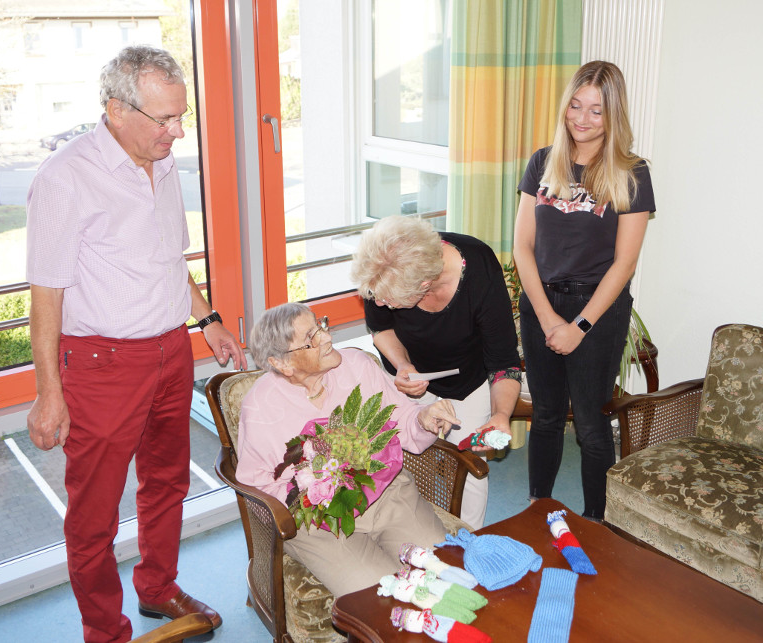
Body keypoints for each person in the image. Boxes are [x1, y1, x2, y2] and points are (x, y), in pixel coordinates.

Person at [25, 46, 247, 643]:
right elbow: (45, 295)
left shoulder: (164, 161)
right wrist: (49, 393)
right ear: (116, 109)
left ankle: (157, 588)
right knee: (94, 513)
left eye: (181, 117)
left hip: (170, 350)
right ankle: (105, 629)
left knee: (168, 480)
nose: (177, 132)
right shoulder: (64, 177)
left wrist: (209, 320)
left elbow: (168, 260)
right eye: (164, 119)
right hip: (101, 363)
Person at [236, 303, 461, 596]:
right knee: (377, 595)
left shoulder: (356, 365)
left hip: (386, 494)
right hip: (319, 521)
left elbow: (402, 418)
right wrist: (313, 494)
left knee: (439, 567)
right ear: (282, 364)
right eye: (311, 338)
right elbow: (256, 486)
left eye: (320, 325)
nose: (327, 337)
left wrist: (423, 419)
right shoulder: (260, 407)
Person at [512, 60, 656, 521]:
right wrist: (548, 317)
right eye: (576, 105)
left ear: (613, 115)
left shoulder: (632, 172)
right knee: (547, 415)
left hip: (598, 308)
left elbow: (625, 263)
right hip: (541, 301)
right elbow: (521, 246)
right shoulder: (542, 162)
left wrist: (580, 325)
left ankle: (597, 521)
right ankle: (539, 508)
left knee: (592, 426)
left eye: (596, 110)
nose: (582, 118)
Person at [349, 216, 522, 530]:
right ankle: (407, 533)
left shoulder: (479, 268)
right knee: (400, 459)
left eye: (390, 300)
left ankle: (467, 538)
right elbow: (381, 327)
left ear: (425, 286)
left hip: (467, 380)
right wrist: (403, 366)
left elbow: (503, 362)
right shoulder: (383, 271)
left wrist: (500, 415)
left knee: (470, 466)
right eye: (378, 298)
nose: (381, 302)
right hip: (407, 378)